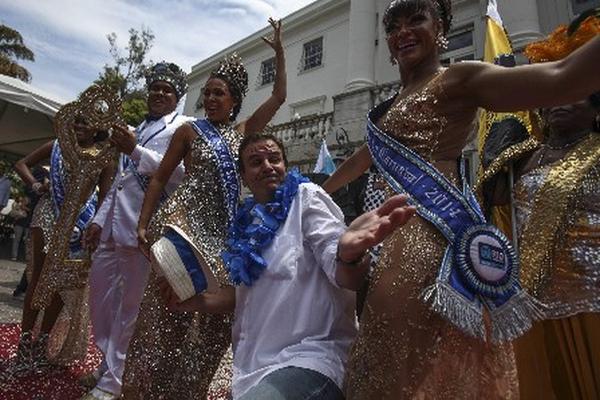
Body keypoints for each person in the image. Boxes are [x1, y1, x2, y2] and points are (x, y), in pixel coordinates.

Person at [321, 1, 600, 398]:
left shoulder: (459, 80)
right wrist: (312, 191)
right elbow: (360, 158)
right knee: (384, 358)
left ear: (441, 31)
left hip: (433, 244)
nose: (403, 31)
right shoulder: (389, 109)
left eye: (416, 20)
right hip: (388, 242)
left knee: (421, 367)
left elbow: (562, 77)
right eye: (394, 25)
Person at [161, 133, 415, 400]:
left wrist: (349, 254)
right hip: (251, 371)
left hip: (310, 360)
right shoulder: (245, 225)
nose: (268, 166)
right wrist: (193, 302)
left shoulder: (307, 198)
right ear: (244, 176)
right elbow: (244, 296)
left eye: (275, 158)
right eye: (256, 162)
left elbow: (343, 273)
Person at [120, 18, 287, 400]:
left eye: (219, 93)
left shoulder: (244, 134)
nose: (211, 99)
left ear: (234, 100)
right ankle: (145, 390)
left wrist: (278, 54)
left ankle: (185, 390)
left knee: (211, 321)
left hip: (222, 237)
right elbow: (161, 177)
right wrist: (144, 223)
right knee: (167, 314)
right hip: (182, 228)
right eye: (207, 92)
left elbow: (278, 97)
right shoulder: (189, 131)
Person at [81, 62, 193, 400]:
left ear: (177, 97)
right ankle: (109, 362)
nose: (159, 94)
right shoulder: (137, 126)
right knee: (100, 299)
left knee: (130, 309)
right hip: (114, 226)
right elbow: (120, 180)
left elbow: (178, 174)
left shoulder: (183, 128)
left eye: (167, 90)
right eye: (155, 88)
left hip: (145, 229)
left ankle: (113, 381)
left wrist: (134, 149)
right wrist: (99, 219)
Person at [11, 113, 114, 374]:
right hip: (48, 216)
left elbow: (105, 196)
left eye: (85, 121)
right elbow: (21, 164)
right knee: (39, 279)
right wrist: (34, 184)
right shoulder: (56, 146)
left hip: (79, 225)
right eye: (76, 120)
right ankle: (25, 344)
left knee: (60, 283)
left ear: (98, 127)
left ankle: (42, 344)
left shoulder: (104, 158)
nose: (79, 125)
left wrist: (96, 226)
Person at [10, 196, 30, 261]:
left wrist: (25, 209)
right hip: (19, 224)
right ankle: (14, 256)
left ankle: (27, 257)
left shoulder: (30, 208)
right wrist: (19, 213)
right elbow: (12, 213)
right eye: (24, 201)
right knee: (17, 239)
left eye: (26, 201)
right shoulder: (18, 206)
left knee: (27, 241)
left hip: (27, 225)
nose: (25, 202)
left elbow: (29, 214)